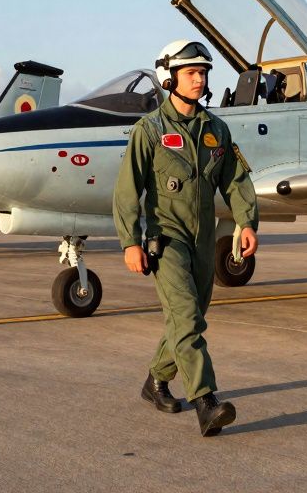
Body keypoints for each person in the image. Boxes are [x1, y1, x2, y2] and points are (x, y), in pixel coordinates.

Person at [113, 40, 259, 437]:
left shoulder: (216, 129)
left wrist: (247, 222)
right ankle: (206, 402)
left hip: (203, 240)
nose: (200, 79)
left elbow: (236, 180)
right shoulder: (150, 130)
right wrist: (130, 242)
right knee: (188, 318)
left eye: (203, 72)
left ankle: (156, 381)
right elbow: (127, 190)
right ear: (170, 78)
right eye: (191, 72)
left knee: (188, 318)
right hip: (167, 238)